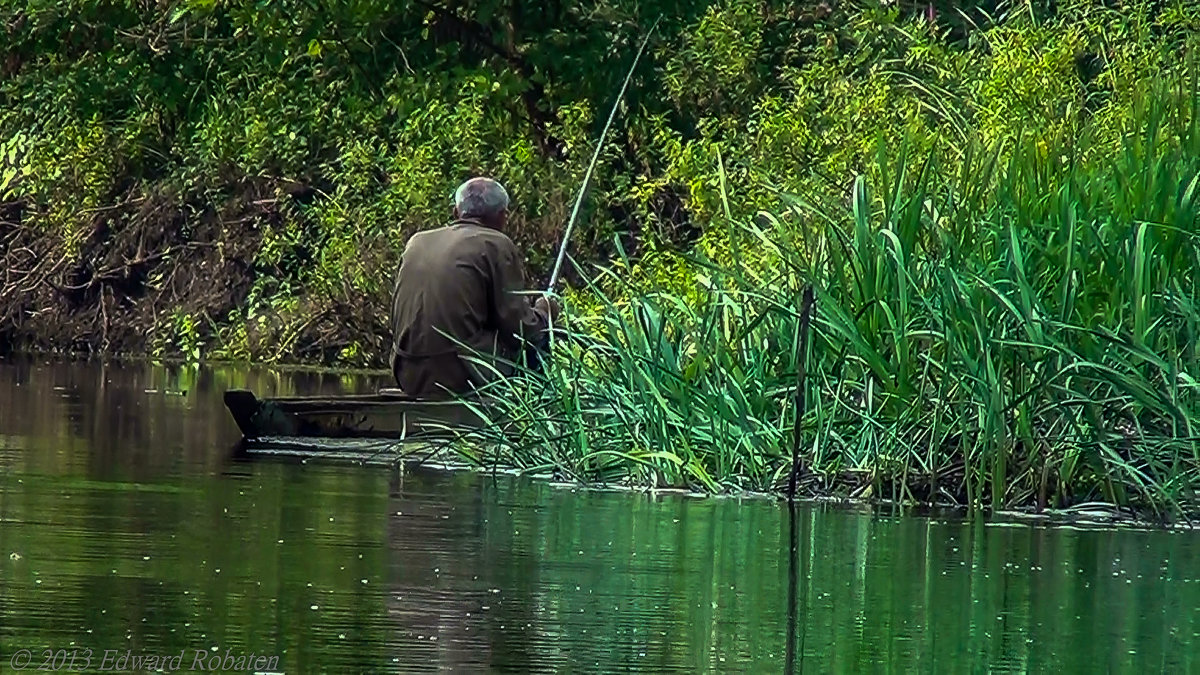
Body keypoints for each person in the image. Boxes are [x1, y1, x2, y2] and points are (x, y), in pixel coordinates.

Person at [388, 177, 561, 399]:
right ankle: (538, 416)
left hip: (407, 372)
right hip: (462, 375)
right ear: (502, 216)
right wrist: (545, 312)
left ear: (455, 212)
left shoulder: (417, 241)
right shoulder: (496, 243)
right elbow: (519, 327)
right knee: (539, 340)